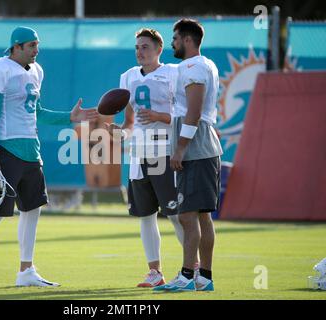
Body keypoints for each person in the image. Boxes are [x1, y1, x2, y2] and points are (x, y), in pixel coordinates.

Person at [0, 26, 98, 289]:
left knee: (32, 212)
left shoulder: (36, 71)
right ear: (16, 47)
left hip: (32, 151)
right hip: (7, 150)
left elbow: (37, 111)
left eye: (37, 45)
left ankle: (26, 271)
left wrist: (69, 117)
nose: (36, 51)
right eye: (31, 45)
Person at [106, 28, 185, 288]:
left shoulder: (173, 73)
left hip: (165, 152)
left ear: (159, 50)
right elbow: (130, 123)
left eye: (146, 47)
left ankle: (193, 269)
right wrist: (121, 133)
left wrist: (159, 117)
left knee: (176, 214)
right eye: (137, 47)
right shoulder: (128, 77)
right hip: (138, 155)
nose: (140, 51)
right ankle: (155, 272)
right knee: (146, 215)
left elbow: (189, 115)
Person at [154, 19, 223, 292]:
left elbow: (193, 112)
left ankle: (186, 276)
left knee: (187, 215)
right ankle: (203, 278)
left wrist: (180, 148)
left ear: (186, 40)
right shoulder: (204, 64)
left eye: (175, 38)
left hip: (195, 147)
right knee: (201, 215)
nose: (172, 43)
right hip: (203, 145)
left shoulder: (193, 66)